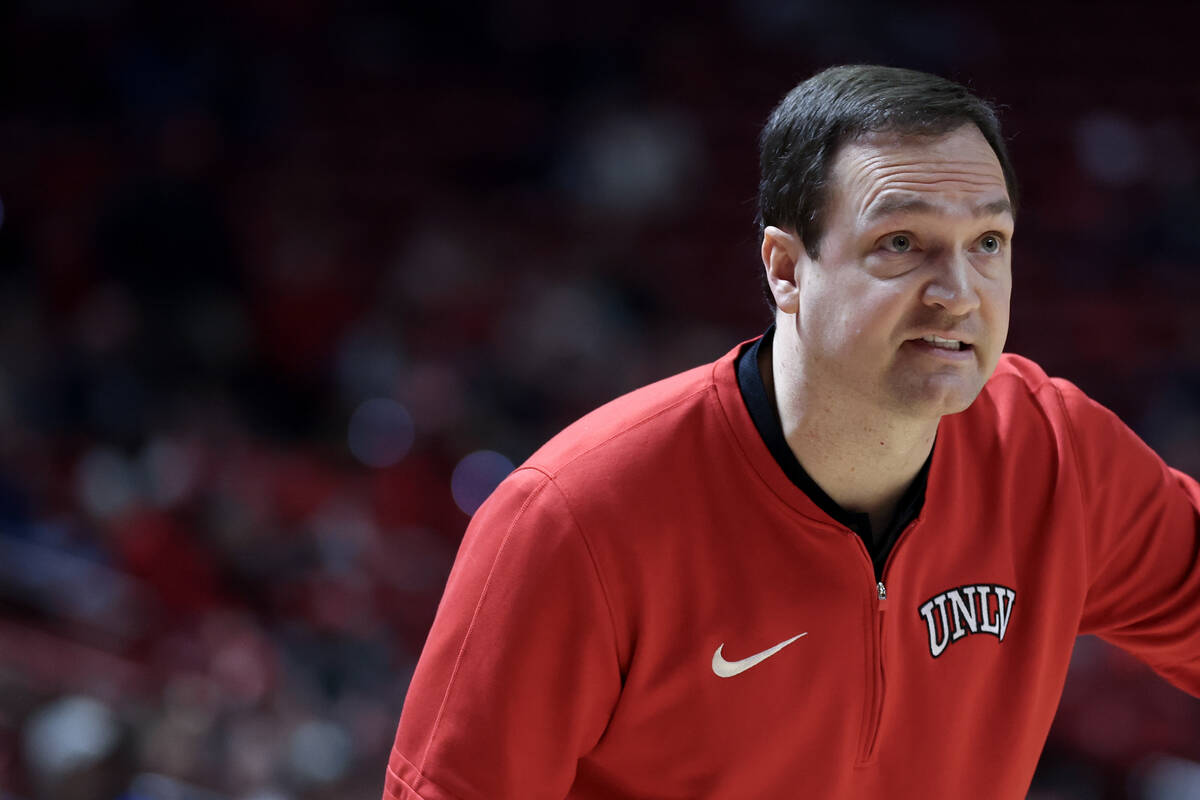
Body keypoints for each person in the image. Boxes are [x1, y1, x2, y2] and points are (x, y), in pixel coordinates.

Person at [382, 65, 1200, 799]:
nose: (959, 291)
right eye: (902, 243)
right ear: (785, 269)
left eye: (988, 242)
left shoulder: (1056, 454)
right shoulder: (575, 519)